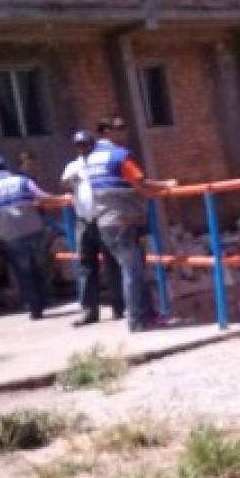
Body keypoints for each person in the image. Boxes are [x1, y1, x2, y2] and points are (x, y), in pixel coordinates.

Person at [85, 116, 177, 332]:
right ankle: (138, 320)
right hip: (123, 221)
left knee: (133, 270)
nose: (123, 132)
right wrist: (166, 185)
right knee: (132, 272)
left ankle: (148, 315)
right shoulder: (120, 156)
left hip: (106, 222)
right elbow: (142, 185)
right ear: (106, 132)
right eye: (119, 128)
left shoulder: (91, 159)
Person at [0, 155, 69, 320]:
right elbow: (42, 197)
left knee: (23, 272)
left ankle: (34, 308)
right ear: (5, 167)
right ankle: (46, 298)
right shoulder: (22, 181)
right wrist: (62, 198)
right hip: (34, 229)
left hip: (10, 236)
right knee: (40, 266)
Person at [62, 130, 124, 326]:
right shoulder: (74, 166)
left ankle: (118, 307)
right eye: (79, 145)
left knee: (112, 265)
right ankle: (89, 311)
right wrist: (70, 179)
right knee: (86, 268)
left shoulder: (100, 162)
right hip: (84, 221)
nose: (83, 148)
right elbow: (64, 182)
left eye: (86, 144)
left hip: (103, 219)